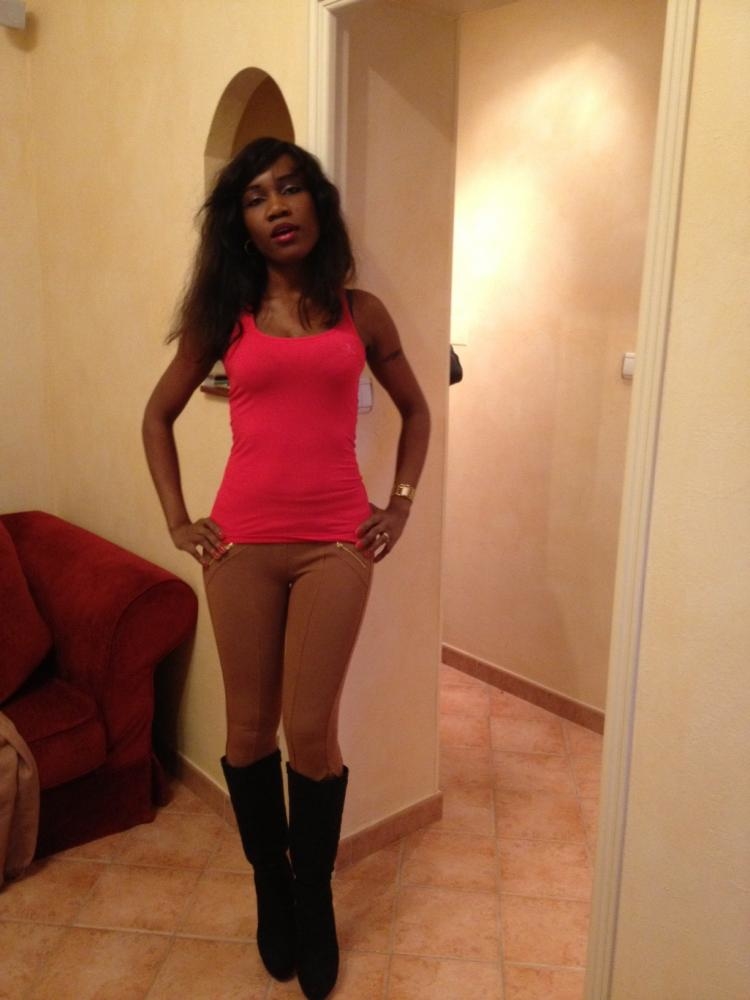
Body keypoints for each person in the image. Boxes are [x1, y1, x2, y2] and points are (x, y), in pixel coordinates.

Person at [142, 137, 430, 1000]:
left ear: (316, 203)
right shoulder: (223, 317)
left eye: (290, 188)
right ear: (242, 223)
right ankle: (271, 882)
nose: (276, 207)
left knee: (311, 734)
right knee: (246, 733)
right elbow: (156, 417)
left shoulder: (360, 313)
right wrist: (179, 521)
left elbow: (417, 410)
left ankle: (313, 900)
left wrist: (399, 503)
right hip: (239, 547)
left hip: (337, 544)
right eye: (256, 197)